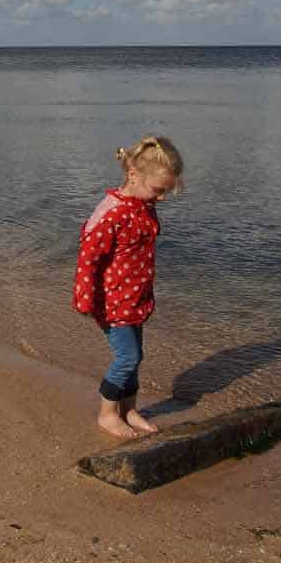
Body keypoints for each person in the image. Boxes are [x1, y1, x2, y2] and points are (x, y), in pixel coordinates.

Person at [72, 135, 184, 438]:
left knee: (137, 357)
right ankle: (107, 414)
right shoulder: (111, 212)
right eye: (158, 190)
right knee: (127, 357)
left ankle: (129, 409)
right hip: (112, 301)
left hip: (135, 297)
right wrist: (84, 298)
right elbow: (88, 257)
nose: (161, 198)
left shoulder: (142, 204)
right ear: (134, 175)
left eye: (165, 192)